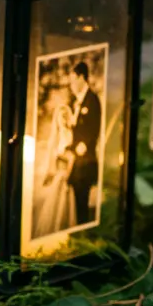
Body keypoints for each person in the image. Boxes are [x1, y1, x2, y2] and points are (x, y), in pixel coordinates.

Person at [33, 100, 77, 238]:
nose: (63, 119)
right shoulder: (56, 137)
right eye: (61, 116)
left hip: (69, 172)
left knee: (68, 202)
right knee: (57, 203)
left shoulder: (72, 134)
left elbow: (73, 153)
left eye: (65, 116)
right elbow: (53, 155)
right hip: (60, 172)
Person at [67, 61, 102, 226]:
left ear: (82, 78)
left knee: (82, 200)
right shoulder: (74, 102)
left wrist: (82, 146)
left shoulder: (92, 100)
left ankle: (83, 230)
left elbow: (93, 129)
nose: (71, 85)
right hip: (76, 163)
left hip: (85, 162)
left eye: (73, 80)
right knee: (75, 200)